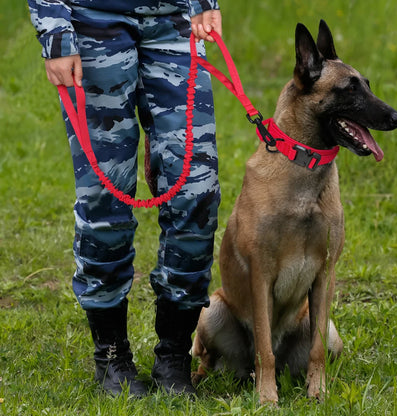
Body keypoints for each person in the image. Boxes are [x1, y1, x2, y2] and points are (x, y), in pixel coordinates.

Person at [27, 0, 222, 397]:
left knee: (197, 194)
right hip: (92, 22)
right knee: (104, 199)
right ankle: (112, 355)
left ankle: (174, 356)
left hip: (174, 22)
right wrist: (54, 31)